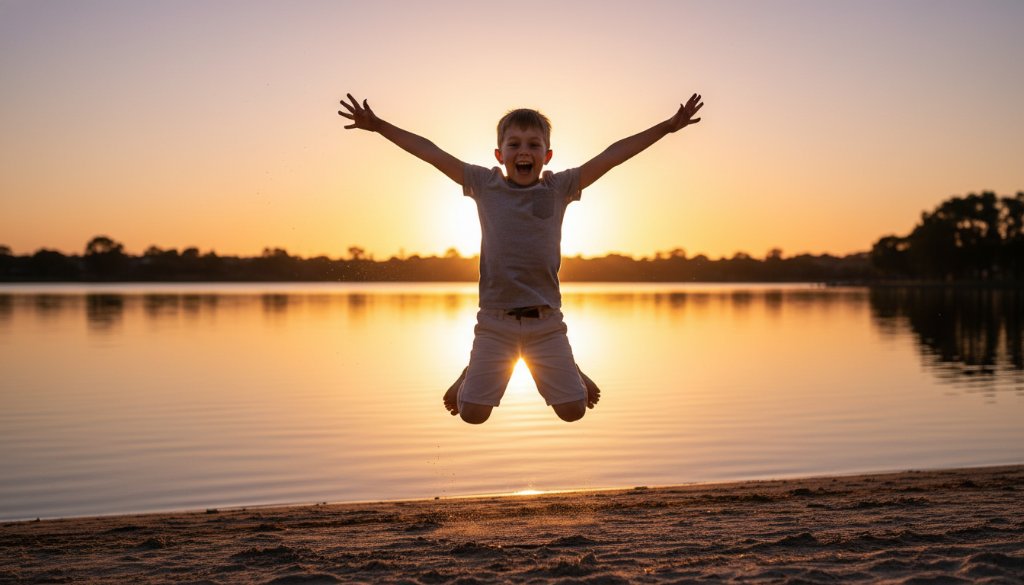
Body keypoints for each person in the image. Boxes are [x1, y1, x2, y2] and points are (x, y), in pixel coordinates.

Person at [338, 93, 703, 424]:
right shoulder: (483, 183)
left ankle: (570, 368)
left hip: (547, 322)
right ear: (500, 154)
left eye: (533, 144)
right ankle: (470, 373)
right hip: (495, 322)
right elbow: (430, 152)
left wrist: (668, 128)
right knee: (473, 415)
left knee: (574, 411)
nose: (523, 151)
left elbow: (613, 155)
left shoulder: (560, 187)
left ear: (547, 156)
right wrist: (380, 126)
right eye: (514, 144)